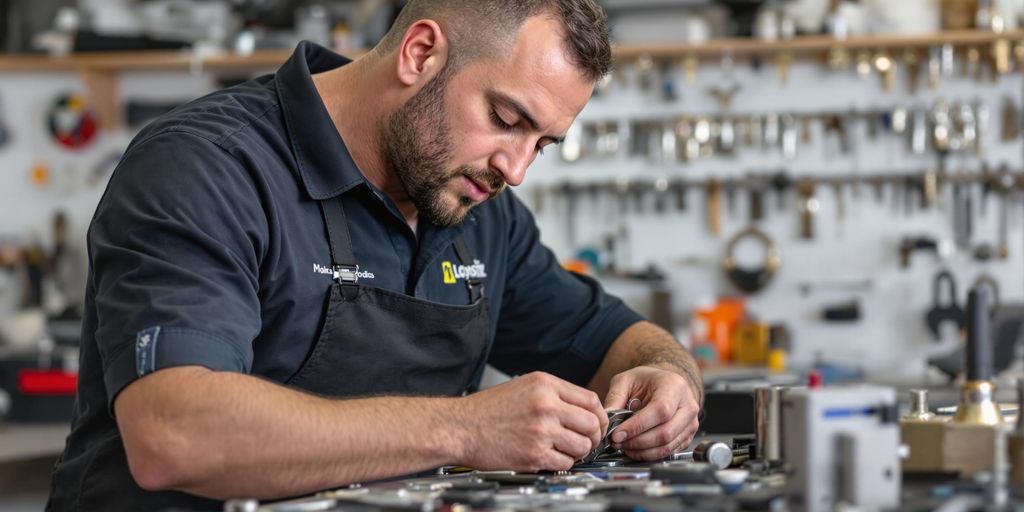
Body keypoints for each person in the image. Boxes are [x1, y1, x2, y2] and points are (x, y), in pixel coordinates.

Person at [47, 0, 702, 510]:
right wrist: (467, 430)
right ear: (420, 53)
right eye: (507, 118)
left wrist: (672, 382)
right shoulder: (208, 168)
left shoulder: (481, 214)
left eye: (544, 143)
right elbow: (174, 436)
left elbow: (624, 340)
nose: (518, 168)